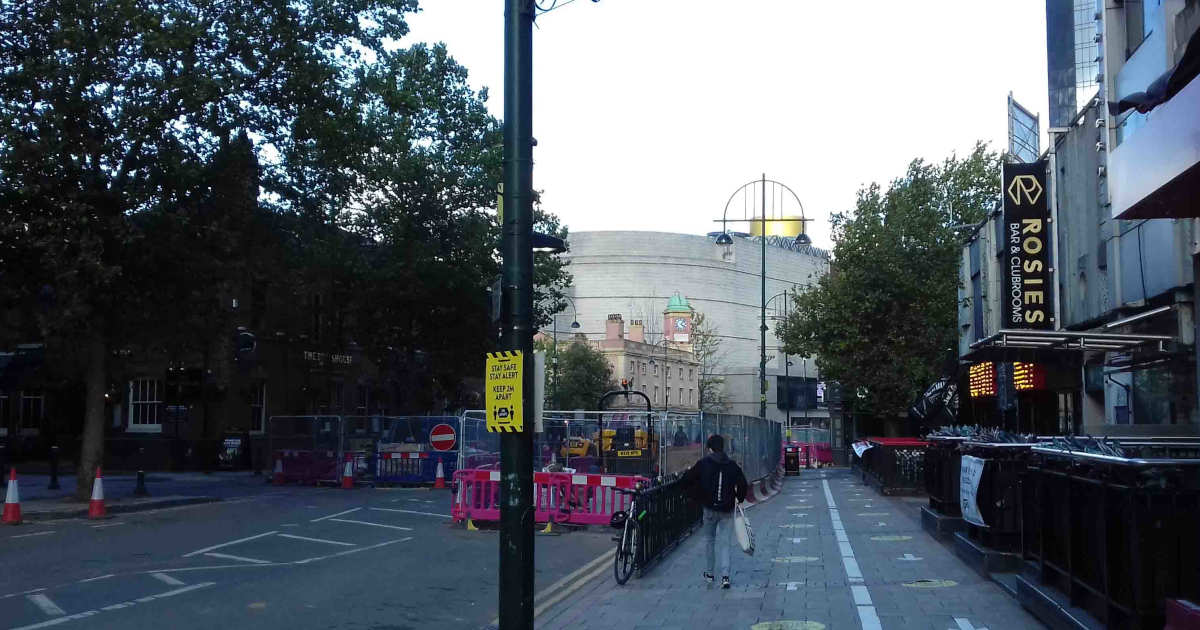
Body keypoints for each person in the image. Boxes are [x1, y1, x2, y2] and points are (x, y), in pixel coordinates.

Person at [683, 434, 748, 589]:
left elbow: (688, 479)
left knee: (710, 541)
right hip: (726, 509)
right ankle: (725, 576)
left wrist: (695, 495)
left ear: (710, 448)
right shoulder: (732, 465)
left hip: (709, 508)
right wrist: (739, 498)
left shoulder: (703, 463)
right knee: (725, 543)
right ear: (723, 447)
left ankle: (710, 573)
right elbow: (743, 484)